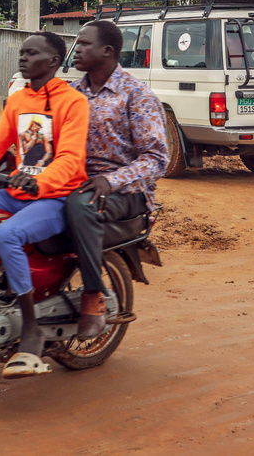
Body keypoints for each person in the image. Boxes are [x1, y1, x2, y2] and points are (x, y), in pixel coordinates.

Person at [0, 32, 89, 378]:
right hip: (17, 193)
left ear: (53, 61)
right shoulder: (18, 100)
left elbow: (70, 159)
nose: (23, 58)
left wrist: (40, 181)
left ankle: (31, 327)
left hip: (56, 197)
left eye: (31, 53)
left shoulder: (72, 102)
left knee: (7, 235)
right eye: (22, 53)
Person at [65, 20, 168, 339]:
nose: (77, 49)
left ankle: (93, 298)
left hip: (127, 192)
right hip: (80, 181)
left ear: (107, 51)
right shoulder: (72, 93)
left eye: (84, 44)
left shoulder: (136, 94)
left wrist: (111, 181)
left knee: (81, 206)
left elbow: (156, 158)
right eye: (77, 43)